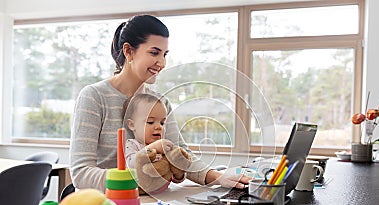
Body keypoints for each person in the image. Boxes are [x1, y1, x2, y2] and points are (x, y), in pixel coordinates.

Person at [69, 14, 251, 193]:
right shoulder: (94, 96)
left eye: (165, 54)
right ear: (128, 51)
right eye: (154, 53)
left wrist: (218, 177)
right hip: (104, 204)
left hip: (150, 202)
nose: (162, 62)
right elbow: (81, 173)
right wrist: (141, 179)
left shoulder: (160, 101)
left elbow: (180, 154)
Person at [124, 93, 185, 194]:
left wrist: (179, 173)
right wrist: (152, 148)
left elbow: (175, 175)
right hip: (140, 196)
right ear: (131, 125)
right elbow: (130, 166)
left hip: (165, 195)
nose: (159, 127)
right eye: (151, 122)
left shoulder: (165, 145)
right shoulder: (132, 144)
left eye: (162, 123)